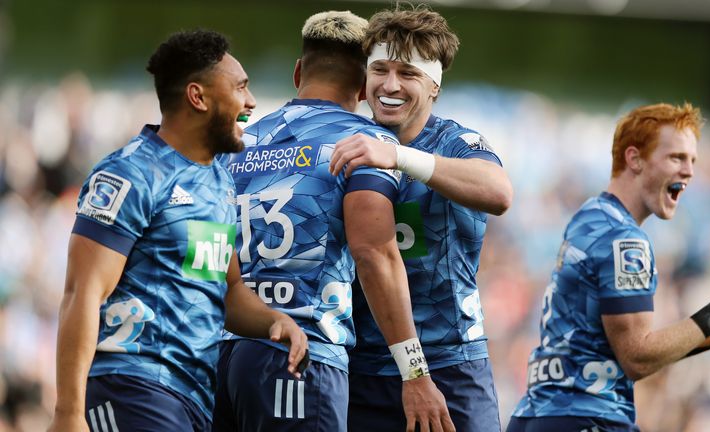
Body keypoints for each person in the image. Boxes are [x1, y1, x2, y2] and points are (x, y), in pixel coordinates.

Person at [48, 29, 308, 432]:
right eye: (240, 88)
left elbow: (231, 291)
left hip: (191, 397)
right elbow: (81, 294)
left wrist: (277, 321)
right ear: (198, 97)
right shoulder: (129, 174)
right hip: (130, 384)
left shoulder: (220, 182)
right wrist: (67, 414)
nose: (251, 102)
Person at [212, 11, 453, 432]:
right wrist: (416, 373)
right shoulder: (364, 142)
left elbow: (202, 253)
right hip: (301, 354)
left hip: (222, 356)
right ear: (363, 85)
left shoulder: (237, 142)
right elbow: (374, 252)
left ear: (298, 72)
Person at [506, 103, 710, 432]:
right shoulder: (625, 240)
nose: (689, 171)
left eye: (693, 161)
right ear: (634, 159)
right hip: (588, 417)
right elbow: (636, 358)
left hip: (541, 413)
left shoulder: (590, 216)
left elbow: (611, 349)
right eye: (676, 158)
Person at [328, 5, 514, 432]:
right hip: (363, 370)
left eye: (408, 74)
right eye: (380, 70)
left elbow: (499, 192)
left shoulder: (457, 141)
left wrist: (400, 157)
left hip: (450, 363)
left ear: (434, 87)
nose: (390, 85)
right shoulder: (348, 142)